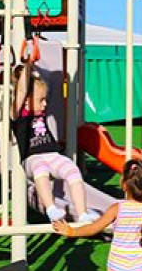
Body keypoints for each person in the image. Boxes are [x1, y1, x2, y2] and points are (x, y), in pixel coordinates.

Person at [11, 61, 97, 223]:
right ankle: (51, 209)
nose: (45, 104)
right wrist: (27, 64)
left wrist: (34, 67)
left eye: (45, 99)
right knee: (40, 168)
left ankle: (83, 213)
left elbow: (39, 84)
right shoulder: (19, 114)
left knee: (72, 169)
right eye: (41, 100)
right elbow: (22, 90)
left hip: (52, 154)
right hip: (31, 158)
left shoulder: (40, 111)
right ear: (27, 101)